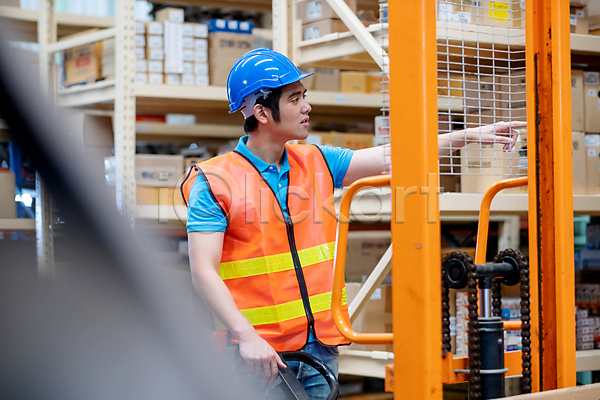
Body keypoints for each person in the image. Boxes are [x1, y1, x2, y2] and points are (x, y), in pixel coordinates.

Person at [183, 48, 525, 399]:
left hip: (318, 350)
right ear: (261, 112)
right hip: (257, 356)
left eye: (305, 96)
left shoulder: (316, 161)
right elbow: (203, 272)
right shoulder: (215, 181)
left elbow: (397, 154)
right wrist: (248, 337)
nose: (307, 107)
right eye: (295, 98)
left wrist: (470, 136)